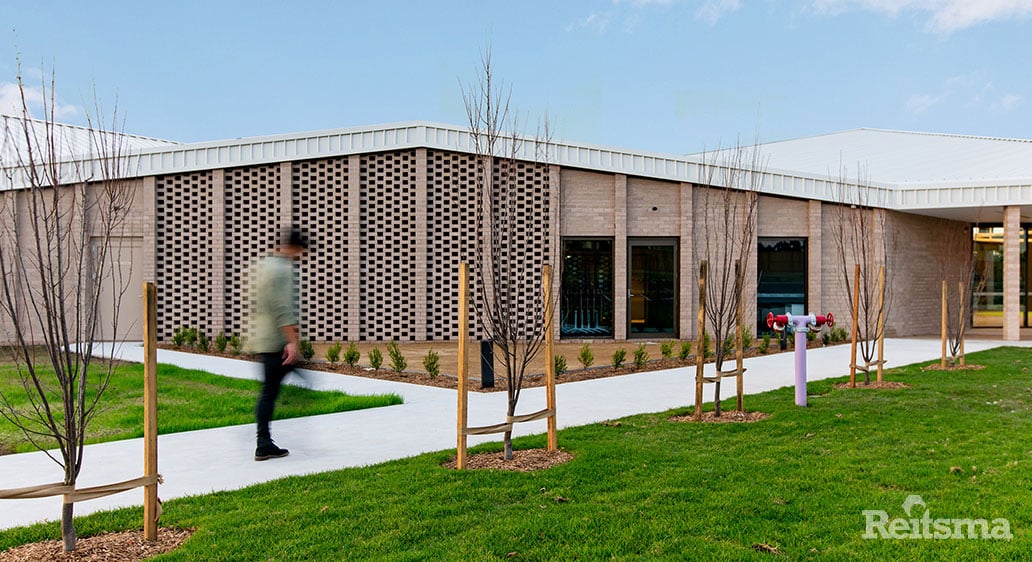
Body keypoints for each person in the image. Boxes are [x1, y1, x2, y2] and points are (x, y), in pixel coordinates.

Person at [250, 227, 309, 461]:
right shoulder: (282, 270)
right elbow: (282, 309)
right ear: (296, 248)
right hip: (276, 341)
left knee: (269, 390)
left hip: (263, 338)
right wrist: (292, 342)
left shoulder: (263, 266)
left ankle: (263, 442)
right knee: (269, 392)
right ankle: (263, 443)